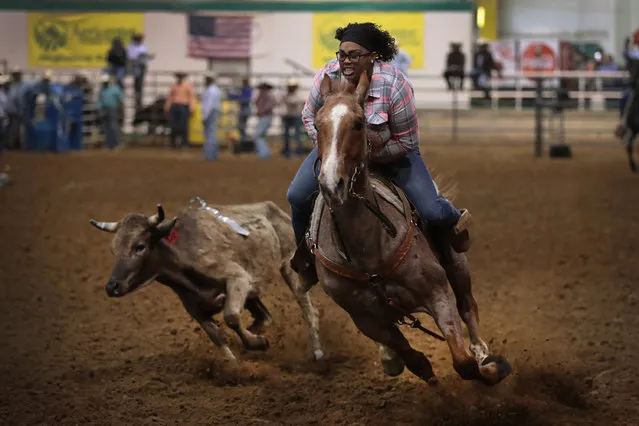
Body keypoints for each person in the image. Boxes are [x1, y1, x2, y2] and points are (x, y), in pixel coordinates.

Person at [286, 22, 471, 281]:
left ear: (373, 56)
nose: (346, 61)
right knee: (296, 196)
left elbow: (406, 140)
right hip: (340, 152)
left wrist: (366, 155)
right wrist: (332, 147)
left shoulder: (394, 85)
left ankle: (454, 218)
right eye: (342, 54)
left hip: (391, 153)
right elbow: (309, 115)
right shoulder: (326, 75)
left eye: (354, 55)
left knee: (431, 210)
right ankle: (306, 257)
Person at [164, 72, 195, 149]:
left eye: (181, 77)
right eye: (178, 77)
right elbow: (170, 97)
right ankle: (173, 143)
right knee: (173, 125)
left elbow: (191, 97)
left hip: (184, 106)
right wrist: (167, 107)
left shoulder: (187, 86)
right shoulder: (173, 86)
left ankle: (184, 143)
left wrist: (191, 108)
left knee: (183, 125)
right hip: (175, 106)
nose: (179, 78)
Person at [96, 74, 124, 150]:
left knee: (113, 127)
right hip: (104, 109)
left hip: (113, 109)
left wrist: (121, 109)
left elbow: (121, 99)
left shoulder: (115, 89)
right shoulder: (102, 90)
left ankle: (116, 144)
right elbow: (100, 100)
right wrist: (99, 109)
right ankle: (108, 144)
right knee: (106, 128)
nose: (104, 84)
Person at [281, 78, 305, 157]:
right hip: (289, 115)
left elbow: (295, 102)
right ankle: (287, 149)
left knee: (297, 134)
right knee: (287, 134)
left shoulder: (298, 95)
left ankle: (299, 149)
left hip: (296, 115)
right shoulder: (287, 95)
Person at [201, 72, 222, 160]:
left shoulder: (210, 90)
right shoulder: (215, 89)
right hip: (214, 111)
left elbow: (208, 104)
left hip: (210, 112)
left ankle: (209, 155)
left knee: (210, 134)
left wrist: (204, 116)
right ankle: (213, 154)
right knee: (212, 133)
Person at [253, 81, 277, 159]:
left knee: (258, 135)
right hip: (265, 116)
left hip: (266, 116)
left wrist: (261, 111)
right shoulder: (263, 96)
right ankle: (265, 152)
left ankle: (264, 153)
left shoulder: (268, 95)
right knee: (260, 135)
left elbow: (270, 105)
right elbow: (256, 102)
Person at [227, 77, 253, 141]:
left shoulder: (247, 89)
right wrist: (230, 95)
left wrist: (237, 98)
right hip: (243, 109)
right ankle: (243, 140)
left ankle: (244, 140)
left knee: (241, 126)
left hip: (245, 109)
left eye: (243, 82)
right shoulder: (244, 89)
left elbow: (244, 99)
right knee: (241, 127)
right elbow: (238, 96)